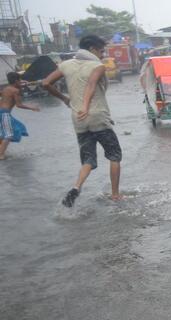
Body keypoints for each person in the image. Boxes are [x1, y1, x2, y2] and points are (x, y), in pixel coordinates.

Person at [43, 35, 124, 207]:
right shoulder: (97, 66)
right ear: (93, 49)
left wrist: (65, 99)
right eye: (101, 51)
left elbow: (45, 83)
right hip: (98, 117)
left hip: (78, 120)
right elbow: (91, 85)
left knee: (88, 160)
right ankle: (115, 195)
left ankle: (76, 187)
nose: (102, 55)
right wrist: (86, 106)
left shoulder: (65, 64)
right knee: (114, 156)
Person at [0, 72, 39, 160]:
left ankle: (1, 151)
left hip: (2, 112)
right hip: (4, 113)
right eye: (20, 81)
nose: (21, 82)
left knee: (15, 128)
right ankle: (1, 154)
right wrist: (32, 107)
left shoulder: (6, 88)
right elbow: (19, 105)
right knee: (9, 135)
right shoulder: (15, 91)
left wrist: (21, 85)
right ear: (16, 81)